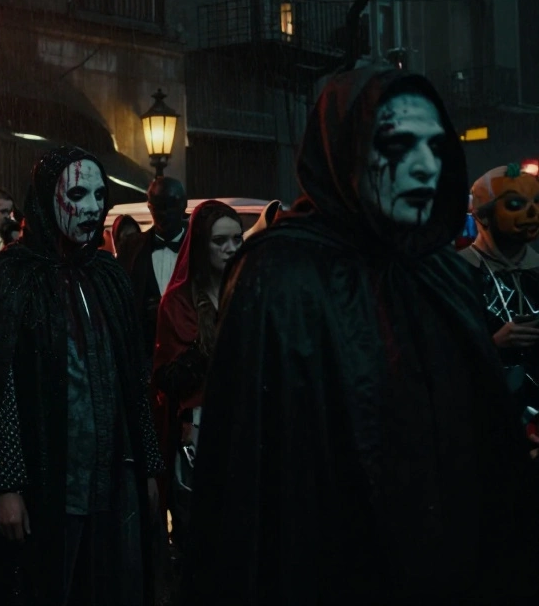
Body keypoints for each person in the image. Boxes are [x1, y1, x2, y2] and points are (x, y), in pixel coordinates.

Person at [183, 68, 536, 604]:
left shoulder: (439, 271)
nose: (425, 165)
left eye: (436, 145)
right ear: (345, 151)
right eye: (395, 144)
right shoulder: (279, 276)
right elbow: (249, 480)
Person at [0, 146, 165, 606]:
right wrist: (6, 484)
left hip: (111, 477)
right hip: (46, 481)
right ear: (47, 200)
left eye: (99, 195)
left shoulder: (107, 274)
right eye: (78, 193)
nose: (91, 207)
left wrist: (148, 464)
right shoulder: (9, 275)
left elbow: (132, 380)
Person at [150, 200, 243, 553]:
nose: (231, 248)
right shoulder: (178, 303)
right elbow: (167, 378)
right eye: (221, 241)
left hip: (245, 426)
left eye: (237, 239)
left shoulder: (249, 290)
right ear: (202, 245)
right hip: (197, 435)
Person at [460, 163, 539, 428]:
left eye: (537, 202)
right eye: (515, 204)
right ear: (483, 216)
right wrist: (493, 344)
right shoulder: (455, 275)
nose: (533, 212)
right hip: (484, 420)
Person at [119, 177, 187, 359]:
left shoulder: (199, 245)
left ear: (184, 205)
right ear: (149, 207)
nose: (164, 213)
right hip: (145, 354)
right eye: (158, 206)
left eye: (170, 205)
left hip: (189, 353)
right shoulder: (130, 248)